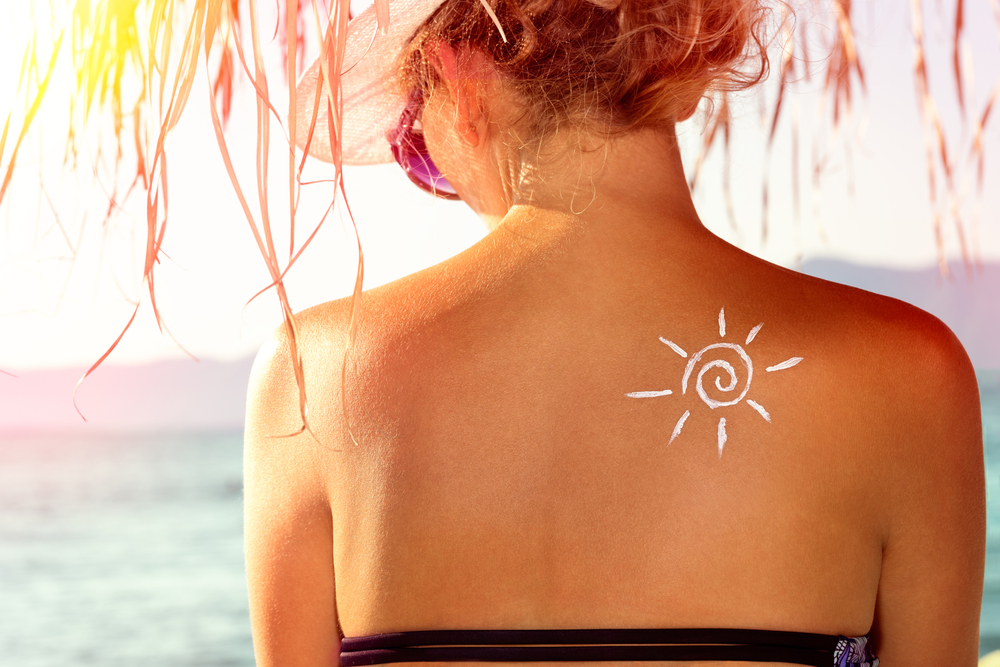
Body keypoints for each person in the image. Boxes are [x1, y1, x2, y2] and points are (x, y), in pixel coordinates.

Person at [242, 1, 986, 665]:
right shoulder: (911, 374)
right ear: (694, 58)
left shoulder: (310, 379)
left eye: (415, 142)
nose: (437, 173)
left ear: (458, 72)